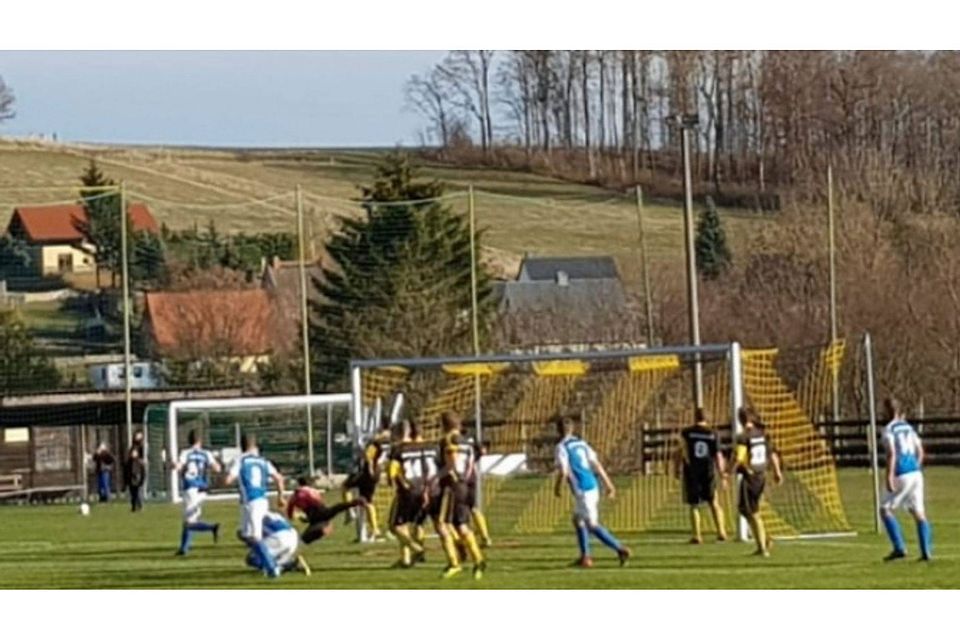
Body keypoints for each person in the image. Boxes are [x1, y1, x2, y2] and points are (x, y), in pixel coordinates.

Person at [554, 416, 631, 568]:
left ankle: (620, 549)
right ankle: (585, 557)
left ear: (557, 431)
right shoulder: (581, 443)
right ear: (572, 429)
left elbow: (563, 471)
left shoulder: (561, 447)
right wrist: (608, 484)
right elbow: (596, 464)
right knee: (578, 520)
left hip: (582, 489)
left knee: (592, 525)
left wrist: (557, 487)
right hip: (593, 485)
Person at [225, 433, 287, 578]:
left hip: (250, 502)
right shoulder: (263, 461)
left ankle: (273, 568)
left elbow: (228, 480)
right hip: (262, 500)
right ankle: (270, 561)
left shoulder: (240, 460)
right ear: (254, 445)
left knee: (254, 537)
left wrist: (227, 473)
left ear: (241, 446)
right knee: (247, 535)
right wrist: (281, 496)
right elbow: (279, 477)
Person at [880, 398, 932, 561]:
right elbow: (920, 450)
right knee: (919, 513)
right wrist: (915, 467)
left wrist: (889, 476)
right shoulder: (909, 428)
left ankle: (899, 548)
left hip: (901, 473)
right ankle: (926, 552)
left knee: (885, 509)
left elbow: (892, 454)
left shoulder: (889, 429)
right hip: (916, 473)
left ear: (888, 411)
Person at [437, 411, 487, 579]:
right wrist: (464, 478)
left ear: (443, 425)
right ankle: (478, 560)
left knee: (442, 524)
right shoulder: (468, 442)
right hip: (466, 484)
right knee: (462, 524)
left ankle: (454, 563)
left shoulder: (449, 440)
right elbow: (472, 463)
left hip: (453, 486)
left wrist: (436, 477)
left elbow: (451, 465)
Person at [733, 408, 783, 557]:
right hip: (761, 476)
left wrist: (728, 472)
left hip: (750, 476)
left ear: (740, 420)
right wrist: (777, 471)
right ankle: (763, 540)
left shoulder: (743, 437)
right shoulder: (762, 434)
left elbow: (739, 458)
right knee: (747, 509)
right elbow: (772, 454)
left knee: (751, 512)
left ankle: (763, 546)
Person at [675, 407, 728, 544]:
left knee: (694, 505)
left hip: (692, 472)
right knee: (714, 502)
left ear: (695, 417)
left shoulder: (686, 433)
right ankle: (721, 532)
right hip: (708, 471)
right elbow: (718, 455)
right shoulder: (713, 434)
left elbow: (681, 451)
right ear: (707, 418)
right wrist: (722, 473)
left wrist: (676, 468)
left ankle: (697, 535)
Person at [386, 420, 432, 568]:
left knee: (395, 526)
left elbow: (393, 471)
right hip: (425, 488)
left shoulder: (398, 450)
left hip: (407, 490)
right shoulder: (424, 447)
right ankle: (405, 559)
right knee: (417, 523)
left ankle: (416, 549)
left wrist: (393, 480)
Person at [174, 430, 222, 556]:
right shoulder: (206, 453)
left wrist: (174, 465)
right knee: (190, 519)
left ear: (189, 440)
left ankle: (212, 527)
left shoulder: (186, 453)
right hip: (203, 489)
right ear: (200, 441)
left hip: (191, 488)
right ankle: (184, 548)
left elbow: (179, 466)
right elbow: (217, 468)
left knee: (190, 522)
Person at [341, 420, 391, 539]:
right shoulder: (391, 440)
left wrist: (367, 465)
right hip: (377, 472)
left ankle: (350, 511)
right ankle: (375, 529)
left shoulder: (376, 442)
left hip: (368, 472)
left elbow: (368, 457)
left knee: (345, 487)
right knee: (368, 502)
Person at [287, 476, 364, 544]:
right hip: (320, 510)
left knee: (305, 538)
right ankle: (353, 503)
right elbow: (317, 500)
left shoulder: (294, 496)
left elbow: (290, 509)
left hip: (312, 515)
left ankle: (322, 529)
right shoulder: (311, 490)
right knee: (336, 509)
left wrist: (296, 515)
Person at [242, 511, 312, 577]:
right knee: (272, 558)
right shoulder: (273, 514)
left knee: (252, 558)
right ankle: (287, 564)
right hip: (293, 538)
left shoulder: (255, 517)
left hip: (280, 538)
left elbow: (254, 538)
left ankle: (285, 565)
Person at [461, 429, 493, 548]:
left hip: (460, 477)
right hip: (471, 477)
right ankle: (485, 537)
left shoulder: (454, 441)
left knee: (460, 511)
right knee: (473, 508)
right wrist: (474, 458)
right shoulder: (471, 439)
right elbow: (483, 451)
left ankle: (464, 540)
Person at [124, 448, 145, 512]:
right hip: (131, 480)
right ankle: (133, 507)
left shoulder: (140, 462)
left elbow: (143, 473)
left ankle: (140, 506)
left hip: (137, 480)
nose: (133, 454)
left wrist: (141, 480)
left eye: (134, 453)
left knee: (138, 494)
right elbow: (126, 472)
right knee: (133, 494)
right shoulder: (128, 462)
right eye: (132, 453)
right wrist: (126, 481)